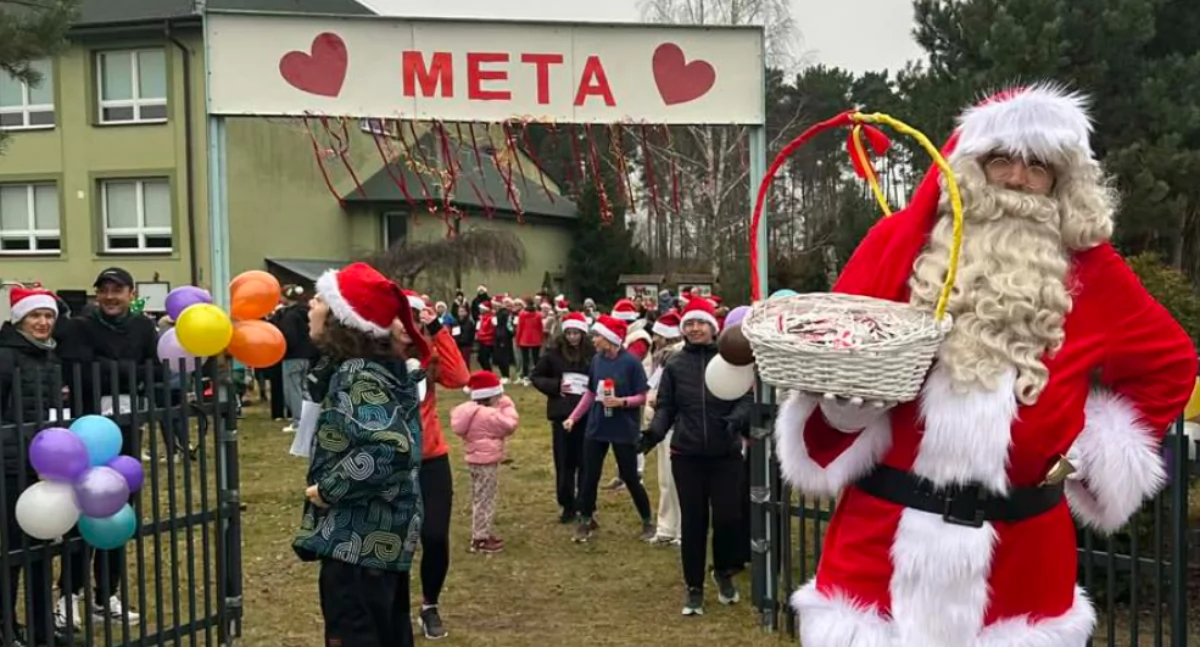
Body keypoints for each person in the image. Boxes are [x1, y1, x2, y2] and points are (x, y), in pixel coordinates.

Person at [772, 85, 1196, 646]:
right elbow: (829, 356)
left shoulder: (1093, 276)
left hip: (1020, 565)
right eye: (1001, 160)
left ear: (1062, 182)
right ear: (971, 166)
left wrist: (1085, 446)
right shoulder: (900, 247)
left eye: (1038, 167)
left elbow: (1171, 363)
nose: (1017, 179)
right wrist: (842, 415)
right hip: (879, 550)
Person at [293, 262, 429, 647]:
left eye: (320, 300)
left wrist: (329, 489)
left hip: (358, 541)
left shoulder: (357, 377)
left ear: (341, 319)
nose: (310, 306)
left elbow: (390, 447)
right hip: (379, 541)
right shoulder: (377, 369)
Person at [54, 267, 156, 629]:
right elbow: (79, 372)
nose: (110, 297)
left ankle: (106, 594)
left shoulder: (143, 327)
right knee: (82, 511)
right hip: (89, 431)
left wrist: (110, 367)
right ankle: (69, 594)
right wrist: (129, 371)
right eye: (104, 290)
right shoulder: (79, 327)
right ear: (97, 294)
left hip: (127, 431)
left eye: (118, 290)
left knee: (118, 509)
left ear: (131, 294)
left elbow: (155, 372)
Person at [642, 298, 752, 616]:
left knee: (728, 517)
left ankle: (723, 570)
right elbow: (666, 406)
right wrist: (653, 434)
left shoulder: (730, 360)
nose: (695, 328)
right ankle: (694, 588)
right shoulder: (675, 365)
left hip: (725, 453)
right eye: (689, 323)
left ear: (713, 327)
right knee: (693, 522)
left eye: (701, 322)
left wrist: (735, 420)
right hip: (687, 455)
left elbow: (747, 396)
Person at [398, 292, 469, 641]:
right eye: (402, 316)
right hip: (393, 462)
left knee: (435, 536)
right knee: (396, 541)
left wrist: (438, 329)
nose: (408, 324)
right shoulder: (378, 356)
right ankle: (395, 608)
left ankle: (429, 604)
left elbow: (459, 377)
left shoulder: (429, 352)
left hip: (431, 458)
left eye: (414, 317)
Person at [0, 288, 63, 646]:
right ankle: (6, 626)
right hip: (11, 465)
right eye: (34, 316)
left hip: (44, 466)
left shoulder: (50, 357)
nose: (42, 322)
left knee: (41, 548)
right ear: (20, 320)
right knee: (12, 551)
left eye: (48, 316)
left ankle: (42, 628)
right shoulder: (5, 355)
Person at [564, 314, 653, 544]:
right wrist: (573, 418)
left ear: (610, 338)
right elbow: (590, 393)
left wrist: (622, 402)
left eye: (597, 336)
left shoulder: (631, 363)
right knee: (589, 476)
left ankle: (647, 520)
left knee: (630, 476)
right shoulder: (597, 360)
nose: (593, 340)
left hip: (623, 428)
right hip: (597, 427)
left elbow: (642, 396)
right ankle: (585, 520)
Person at [530, 312, 595, 524]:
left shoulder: (592, 353)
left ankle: (585, 504)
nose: (572, 337)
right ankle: (567, 504)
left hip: (587, 414)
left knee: (586, 461)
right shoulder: (553, 354)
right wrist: (556, 386)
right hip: (562, 414)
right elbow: (536, 376)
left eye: (576, 333)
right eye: (569, 333)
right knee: (565, 461)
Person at [450, 371, 519, 554]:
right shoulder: (488, 415)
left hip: (474, 459)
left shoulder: (469, 411)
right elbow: (509, 425)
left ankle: (482, 533)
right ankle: (480, 538)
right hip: (487, 461)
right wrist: (507, 405)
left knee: (479, 496)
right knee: (485, 499)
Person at [641, 310, 684, 547]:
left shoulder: (676, 358)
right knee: (665, 479)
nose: (654, 338)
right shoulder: (660, 358)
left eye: (658, 334)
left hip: (676, 424)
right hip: (661, 423)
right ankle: (666, 527)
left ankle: (681, 528)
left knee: (677, 480)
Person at [606, 299, 650, 490]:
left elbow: (629, 362)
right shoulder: (627, 336)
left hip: (635, 390)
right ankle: (622, 473)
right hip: (622, 390)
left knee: (634, 433)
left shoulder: (639, 338)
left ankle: (636, 474)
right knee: (620, 433)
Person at [276, 285, 318, 434]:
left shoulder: (289, 316)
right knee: (304, 388)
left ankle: (298, 422)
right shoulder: (306, 312)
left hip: (292, 357)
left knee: (292, 389)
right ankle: (311, 419)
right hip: (306, 356)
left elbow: (289, 337)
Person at [515, 299, 544, 387]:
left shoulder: (522, 314)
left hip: (524, 339)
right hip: (536, 339)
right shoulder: (538, 314)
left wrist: (517, 340)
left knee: (525, 360)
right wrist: (541, 338)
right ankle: (537, 376)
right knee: (536, 359)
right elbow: (540, 328)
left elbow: (520, 328)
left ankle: (525, 377)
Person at [493, 299, 514, 384]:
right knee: (499, 356)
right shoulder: (498, 313)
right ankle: (504, 375)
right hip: (499, 336)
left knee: (503, 357)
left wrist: (507, 334)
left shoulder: (505, 313)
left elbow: (508, 326)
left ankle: (506, 376)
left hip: (503, 337)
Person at [452, 304, 475, 370]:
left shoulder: (469, 322)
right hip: (457, 345)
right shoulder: (455, 322)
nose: (461, 313)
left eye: (462, 311)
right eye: (459, 311)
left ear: (466, 312)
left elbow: (468, 335)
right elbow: (454, 333)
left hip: (466, 345)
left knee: (465, 362)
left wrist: (461, 341)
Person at [475, 302, 496, 373]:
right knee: (480, 358)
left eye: (481, 308)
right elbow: (478, 328)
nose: (479, 310)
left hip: (488, 341)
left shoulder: (491, 318)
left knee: (484, 358)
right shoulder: (481, 318)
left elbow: (492, 329)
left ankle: (489, 372)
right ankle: (487, 372)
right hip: (481, 340)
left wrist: (482, 334)